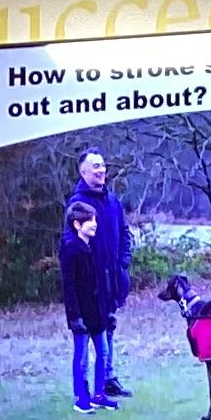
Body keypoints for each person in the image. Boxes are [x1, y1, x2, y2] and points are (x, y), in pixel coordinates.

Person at [74, 147, 134, 397]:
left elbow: (125, 233)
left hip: (112, 280)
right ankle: (84, 389)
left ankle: (108, 379)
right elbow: (72, 245)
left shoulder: (112, 201)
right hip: (90, 283)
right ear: (83, 172)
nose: (101, 170)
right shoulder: (78, 204)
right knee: (86, 335)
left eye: (102, 165)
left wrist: (123, 264)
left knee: (108, 327)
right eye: (95, 166)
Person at [58, 198, 118, 413]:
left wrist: (108, 311)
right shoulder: (70, 249)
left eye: (95, 219)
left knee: (103, 352)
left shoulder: (92, 247)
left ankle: (99, 395)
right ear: (77, 224)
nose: (94, 224)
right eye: (89, 220)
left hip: (97, 313)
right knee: (82, 357)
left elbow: (100, 283)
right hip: (82, 315)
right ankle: (81, 398)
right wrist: (75, 317)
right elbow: (69, 287)